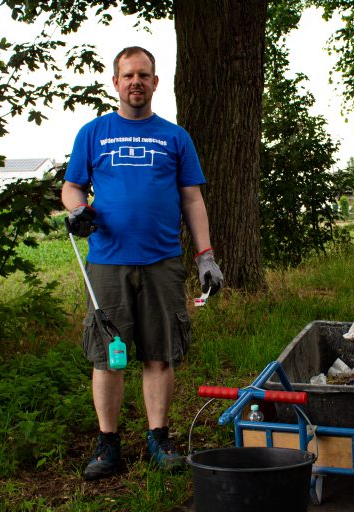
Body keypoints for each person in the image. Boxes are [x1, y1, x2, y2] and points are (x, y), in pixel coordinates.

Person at [62, 46, 223, 481]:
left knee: (159, 355)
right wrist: (78, 211)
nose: (136, 81)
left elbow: (192, 198)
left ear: (155, 82)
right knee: (107, 358)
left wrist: (205, 255)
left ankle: (158, 438)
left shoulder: (175, 137)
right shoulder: (93, 133)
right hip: (108, 264)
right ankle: (108, 445)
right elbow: (72, 187)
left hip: (163, 262)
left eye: (144, 75)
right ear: (115, 82)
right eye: (128, 75)